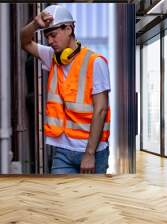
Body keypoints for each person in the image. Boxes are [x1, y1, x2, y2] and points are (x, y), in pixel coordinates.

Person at [20, 5, 111, 174]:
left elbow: (101, 109)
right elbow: (24, 41)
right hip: (62, 151)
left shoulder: (95, 62)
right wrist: (35, 24)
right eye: (47, 37)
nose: (50, 41)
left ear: (68, 29)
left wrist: (89, 153)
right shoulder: (53, 57)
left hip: (92, 151)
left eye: (53, 35)